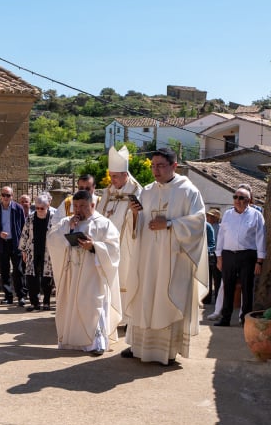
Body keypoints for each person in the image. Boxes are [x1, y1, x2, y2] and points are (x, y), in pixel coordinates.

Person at [121, 147, 208, 365]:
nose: (155, 170)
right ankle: (138, 346)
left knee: (166, 300)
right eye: (153, 165)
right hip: (148, 258)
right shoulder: (147, 191)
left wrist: (169, 224)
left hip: (173, 260)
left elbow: (199, 223)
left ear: (174, 166)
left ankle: (166, 351)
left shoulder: (188, 191)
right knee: (145, 296)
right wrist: (134, 214)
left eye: (160, 165)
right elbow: (137, 227)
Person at [47, 190, 121, 356]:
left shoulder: (104, 224)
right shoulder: (67, 222)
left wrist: (94, 246)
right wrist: (68, 229)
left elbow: (114, 248)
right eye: (76, 206)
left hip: (93, 273)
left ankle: (97, 343)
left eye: (83, 206)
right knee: (71, 305)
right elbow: (52, 240)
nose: (78, 210)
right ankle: (72, 342)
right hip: (72, 273)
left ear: (92, 205)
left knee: (93, 306)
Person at [98, 144, 143, 327]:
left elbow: (141, 220)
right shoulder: (108, 192)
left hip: (126, 247)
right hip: (107, 247)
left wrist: (135, 214)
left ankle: (126, 319)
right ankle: (108, 315)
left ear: (126, 175)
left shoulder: (137, 191)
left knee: (124, 279)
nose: (112, 179)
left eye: (115, 176)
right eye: (110, 175)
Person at [215, 186, 266, 327]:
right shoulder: (227, 214)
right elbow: (221, 236)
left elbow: (261, 239)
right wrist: (219, 257)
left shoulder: (256, 215)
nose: (237, 200)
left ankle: (245, 320)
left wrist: (259, 262)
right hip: (228, 255)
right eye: (235, 197)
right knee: (228, 287)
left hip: (247, 255)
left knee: (247, 288)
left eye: (241, 198)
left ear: (248, 200)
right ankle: (225, 318)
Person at [0, 185, 26, 306]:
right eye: (3, 195)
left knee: (18, 271)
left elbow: (24, 227)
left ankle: (20, 296)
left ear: (12, 196)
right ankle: (8, 296)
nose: (5, 197)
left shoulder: (18, 209)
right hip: (1, 243)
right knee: (4, 271)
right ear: (1, 196)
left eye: (8, 195)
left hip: (15, 243)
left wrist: (23, 244)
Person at [20, 191, 58, 311]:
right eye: (37, 208)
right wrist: (23, 251)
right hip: (33, 251)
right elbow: (24, 234)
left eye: (42, 208)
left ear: (47, 206)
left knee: (47, 277)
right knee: (31, 277)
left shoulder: (54, 217)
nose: (39, 210)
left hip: (48, 251)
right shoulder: (31, 217)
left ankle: (46, 302)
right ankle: (34, 303)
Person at [205, 208, 222, 306]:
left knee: (217, 278)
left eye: (210, 216)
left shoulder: (220, 228)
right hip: (208, 254)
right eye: (208, 216)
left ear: (216, 218)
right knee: (207, 277)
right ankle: (207, 298)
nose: (208, 217)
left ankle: (218, 300)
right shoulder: (206, 227)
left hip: (217, 255)